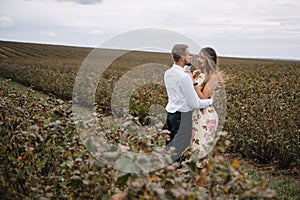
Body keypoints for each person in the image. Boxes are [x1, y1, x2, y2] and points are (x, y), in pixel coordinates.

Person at [164, 44, 213, 163]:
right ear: (182, 58)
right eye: (188, 54)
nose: (191, 56)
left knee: (170, 147)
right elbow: (195, 103)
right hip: (182, 117)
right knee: (178, 150)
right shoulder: (184, 78)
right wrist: (210, 101)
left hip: (170, 115)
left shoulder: (168, 73)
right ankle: (171, 175)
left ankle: (165, 174)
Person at [186, 47, 223, 186]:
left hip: (205, 117)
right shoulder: (195, 73)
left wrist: (193, 82)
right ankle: (193, 185)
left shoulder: (212, 76)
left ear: (208, 60)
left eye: (201, 57)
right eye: (198, 56)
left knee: (201, 153)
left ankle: (199, 188)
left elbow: (203, 97)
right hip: (194, 116)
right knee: (193, 150)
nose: (198, 59)